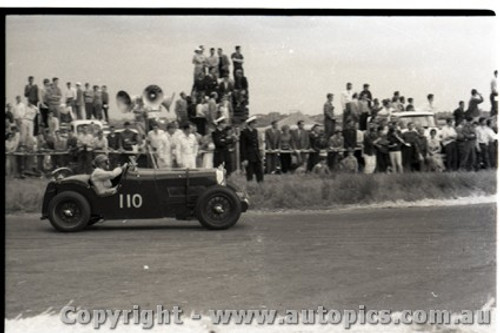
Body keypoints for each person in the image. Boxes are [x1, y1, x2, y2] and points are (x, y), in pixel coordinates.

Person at [240, 116, 263, 182]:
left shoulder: (255, 131)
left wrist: (259, 152)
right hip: (249, 155)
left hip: (256, 154)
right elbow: (242, 146)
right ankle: (250, 185)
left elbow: (257, 143)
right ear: (250, 124)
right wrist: (244, 158)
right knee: (249, 172)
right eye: (254, 123)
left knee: (259, 171)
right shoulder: (244, 133)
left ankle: (260, 183)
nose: (255, 125)